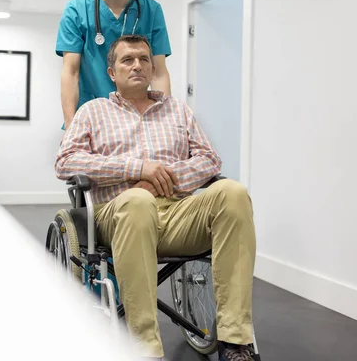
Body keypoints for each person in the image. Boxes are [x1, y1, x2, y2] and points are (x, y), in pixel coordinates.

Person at [54, 34, 257, 361]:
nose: (137, 65)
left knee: (232, 192)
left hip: (177, 213)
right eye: (127, 60)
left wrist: (163, 179)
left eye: (144, 59)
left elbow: (209, 160)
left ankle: (235, 342)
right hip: (119, 214)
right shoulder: (92, 112)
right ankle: (146, 350)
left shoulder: (177, 109)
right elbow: (66, 162)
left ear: (152, 67)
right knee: (138, 202)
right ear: (112, 72)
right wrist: (136, 168)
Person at [55, 0, 172, 130]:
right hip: (90, 120)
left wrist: (166, 123)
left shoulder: (151, 10)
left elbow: (159, 73)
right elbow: (70, 72)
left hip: (139, 119)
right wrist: (70, 125)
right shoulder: (77, 10)